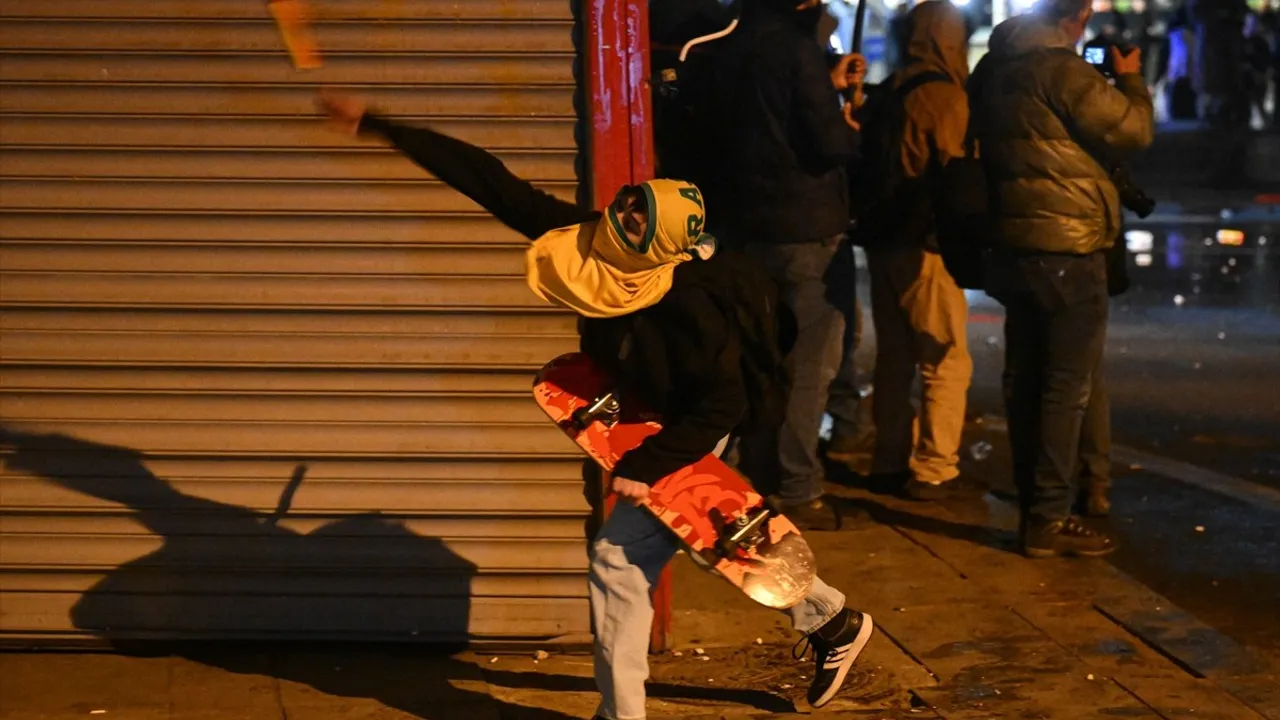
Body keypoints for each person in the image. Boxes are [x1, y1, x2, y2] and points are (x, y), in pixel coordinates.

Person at [313, 93, 874, 720]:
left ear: (658, 243)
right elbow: (491, 182)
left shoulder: (688, 303)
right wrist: (381, 125)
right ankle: (832, 621)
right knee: (699, 532)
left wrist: (648, 464)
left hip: (690, 425)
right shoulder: (590, 244)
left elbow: (723, 404)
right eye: (630, 199)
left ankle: (623, 714)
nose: (622, 212)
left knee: (620, 557)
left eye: (637, 217)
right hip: (645, 408)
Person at [970, 0, 1153, 558]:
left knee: (1026, 379)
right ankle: (1049, 517)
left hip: (1015, 243)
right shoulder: (1062, 70)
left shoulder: (994, 69)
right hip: (1068, 247)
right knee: (1064, 387)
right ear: (1075, 18)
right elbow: (1133, 129)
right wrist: (1130, 79)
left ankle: (1035, 505)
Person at [717, 0, 866, 530]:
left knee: (756, 353)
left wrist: (825, 83)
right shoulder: (797, 49)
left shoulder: (733, 42)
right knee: (809, 365)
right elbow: (826, 141)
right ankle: (797, 487)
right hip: (807, 227)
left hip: (749, 224)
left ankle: (740, 470)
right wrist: (848, 122)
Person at [850, 0, 975, 501]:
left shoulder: (889, 91)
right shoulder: (944, 98)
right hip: (925, 244)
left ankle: (888, 459)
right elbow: (955, 173)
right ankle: (934, 468)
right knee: (944, 357)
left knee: (895, 356)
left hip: (882, 239)